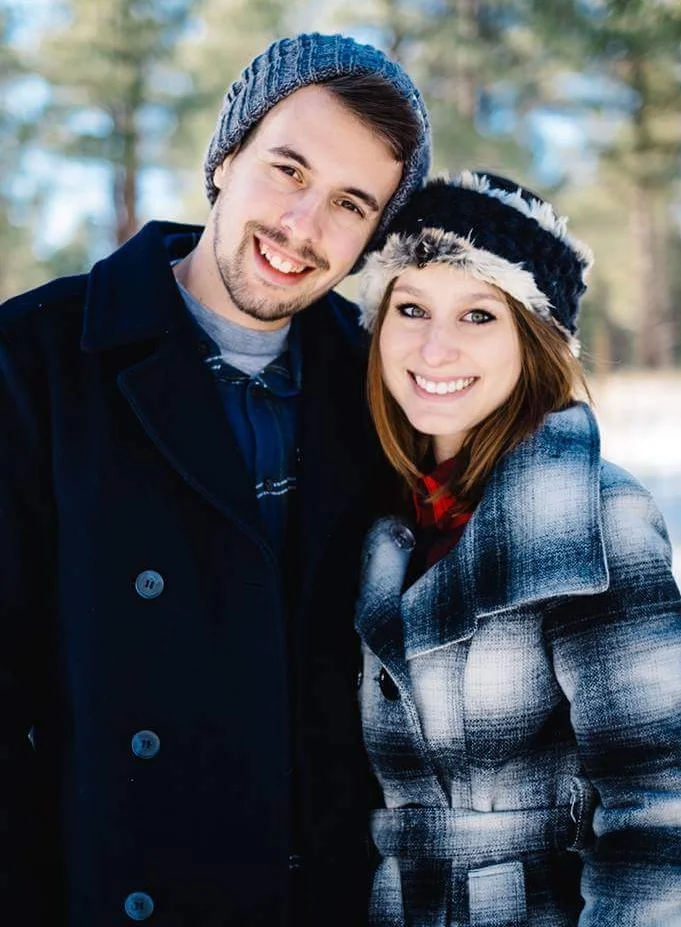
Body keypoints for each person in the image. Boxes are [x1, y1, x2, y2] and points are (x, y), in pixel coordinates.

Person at [0, 33, 431, 927]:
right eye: (288, 170)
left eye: (350, 204)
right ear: (227, 157)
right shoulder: (34, 360)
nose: (303, 226)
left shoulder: (384, 387)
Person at [355, 172, 681, 925]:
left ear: (534, 342)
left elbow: (664, 813)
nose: (435, 347)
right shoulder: (387, 526)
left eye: (478, 314)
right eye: (411, 308)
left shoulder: (592, 514)